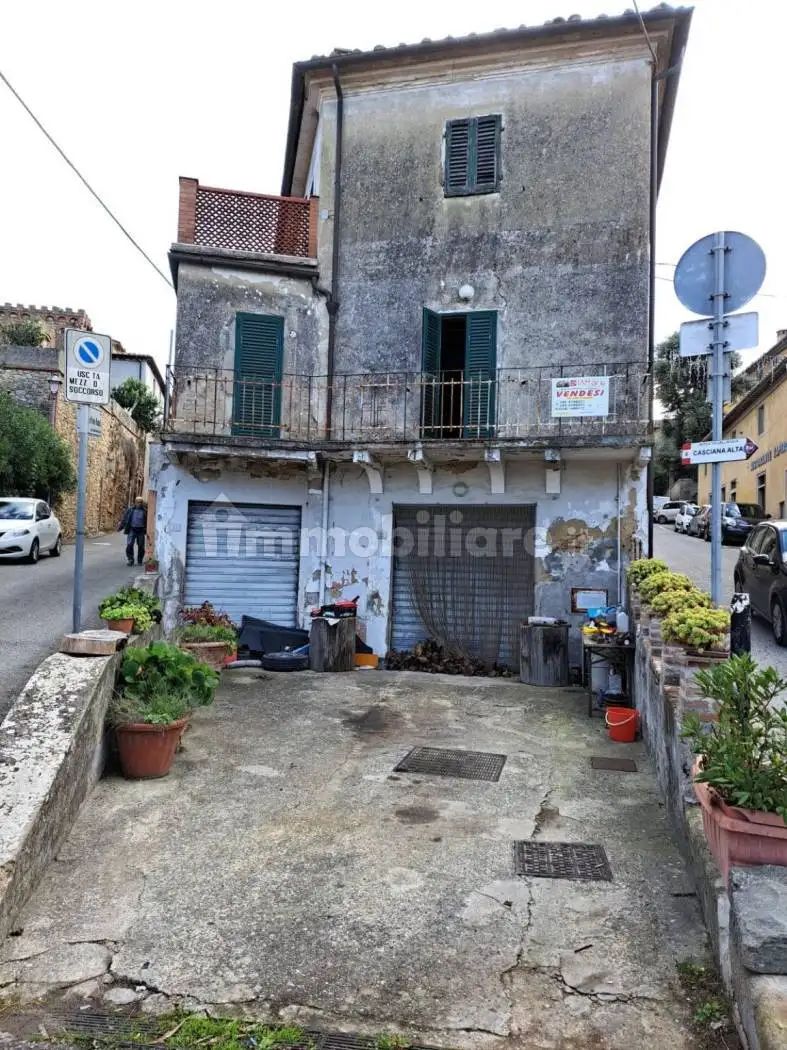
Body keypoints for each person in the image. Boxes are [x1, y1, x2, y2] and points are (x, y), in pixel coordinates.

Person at [119, 497, 147, 567]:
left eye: (140, 502)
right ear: (135, 502)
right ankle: (130, 559)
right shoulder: (130, 510)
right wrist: (121, 527)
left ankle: (140, 560)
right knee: (129, 545)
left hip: (141, 530)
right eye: (138, 502)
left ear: (142, 503)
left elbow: (148, 520)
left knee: (141, 546)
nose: (139, 503)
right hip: (132, 529)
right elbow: (125, 518)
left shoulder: (144, 511)